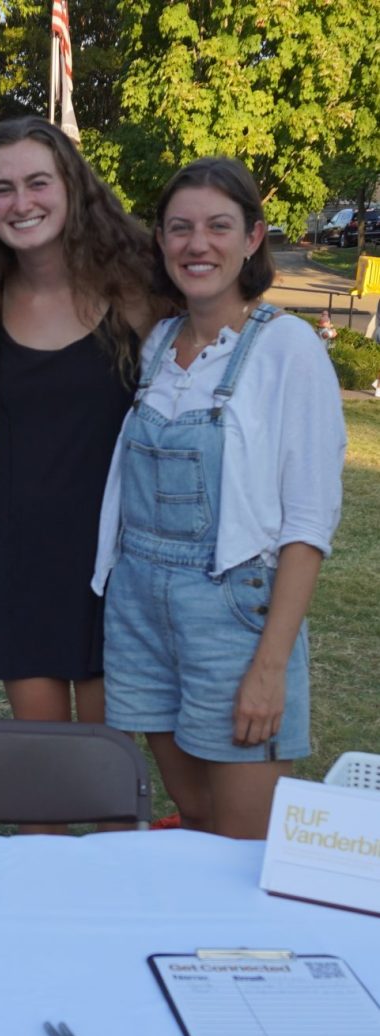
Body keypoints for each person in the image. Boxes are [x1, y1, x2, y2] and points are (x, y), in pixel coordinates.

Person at [93, 157, 346, 839]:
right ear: (161, 241)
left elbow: (308, 524)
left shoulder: (288, 349)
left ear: (253, 236)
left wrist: (270, 668)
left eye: (217, 227)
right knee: (195, 818)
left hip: (233, 616)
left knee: (242, 845)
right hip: (140, 611)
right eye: (179, 229)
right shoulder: (156, 344)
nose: (196, 244)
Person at [0, 117, 155, 743]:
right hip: (22, 553)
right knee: (43, 776)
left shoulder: (136, 288)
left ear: (71, 185)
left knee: (109, 778)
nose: (22, 202)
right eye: (2, 189)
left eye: (37, 182)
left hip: (113, 556)